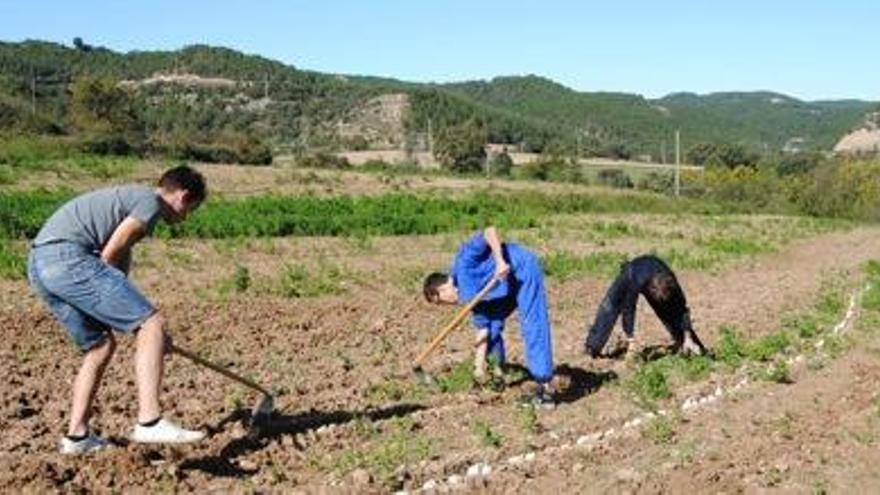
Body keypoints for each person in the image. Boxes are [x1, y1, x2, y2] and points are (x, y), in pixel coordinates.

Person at [27, 165, 208, 455]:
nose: (185, 218)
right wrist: (150, 330)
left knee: (100, 346)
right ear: (183, 196)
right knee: (151, 323)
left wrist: (153, 340)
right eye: (190, 209)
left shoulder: (127, 201)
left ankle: (77, 437)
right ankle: (149, 421)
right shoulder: (149, 204)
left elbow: (112, 274)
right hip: (68, 258)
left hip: (41, 263)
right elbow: (109, 257)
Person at [423, 227, 555, 407]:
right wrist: (478, 369)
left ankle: (544, 389)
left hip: (521, 269)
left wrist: (500, 262)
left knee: (532, 324)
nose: (445, 305)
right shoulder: (466, 295)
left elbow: (489, 231)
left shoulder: (464, 261)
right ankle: (497, 374)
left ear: (442, 289)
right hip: (504, 289)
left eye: (440, 301)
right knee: (491, 331)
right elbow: (483, 328)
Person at [584, 254, 706, 359]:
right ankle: (593, 346)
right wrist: (630, 337)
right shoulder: (637, 280)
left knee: (671, 311)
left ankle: (691, 346)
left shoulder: (672, 284)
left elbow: (682, 309)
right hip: (632, 272)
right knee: (610, 305)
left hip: (654, 270)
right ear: (651, 289)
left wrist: (687, 334)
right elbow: (629, 307)